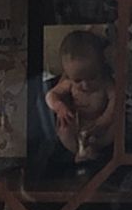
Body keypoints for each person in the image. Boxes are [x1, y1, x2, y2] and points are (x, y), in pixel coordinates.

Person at [45, 28, 120, 163]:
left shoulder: (106, 83)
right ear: (68, 75)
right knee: (64, 129)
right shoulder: (68, 83)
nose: (85, 85)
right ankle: (78, 152)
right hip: (78, 120)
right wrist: (59, 107)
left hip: (101, 122)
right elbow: (50, 95)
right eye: (78, 80)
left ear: (101, 67)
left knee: (116, 126)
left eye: (92, 77)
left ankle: (95, 148)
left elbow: (116, 100)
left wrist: (104, 120)